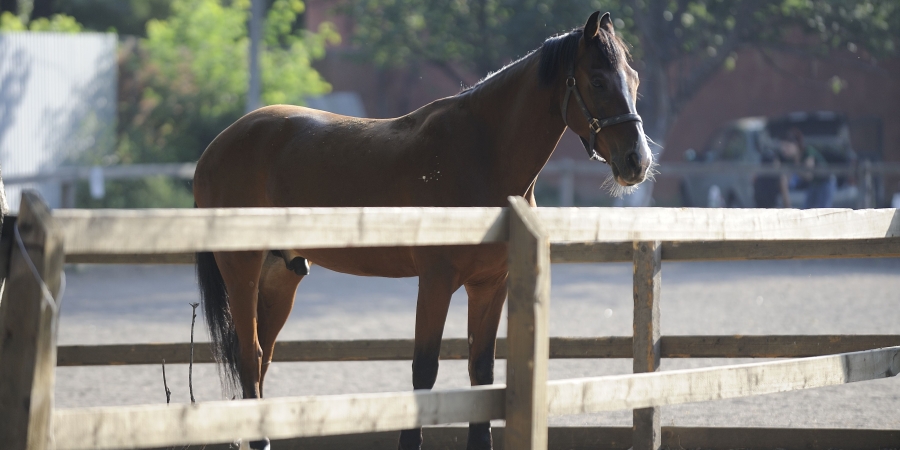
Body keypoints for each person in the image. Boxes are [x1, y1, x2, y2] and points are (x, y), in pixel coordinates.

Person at [786, 128, 836, 208]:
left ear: (796, 145)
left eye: (788, 146)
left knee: (823, 210)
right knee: (807, 209)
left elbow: (808, 175)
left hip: (825, 182)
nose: (786, 149)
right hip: (814, 184)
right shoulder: (791, 159)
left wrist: (796, 169)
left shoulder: (808, 151)